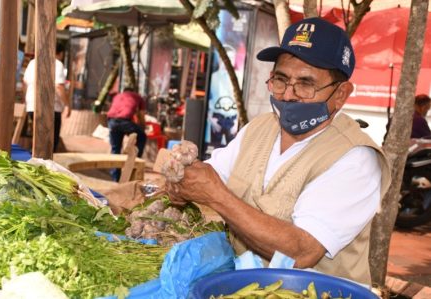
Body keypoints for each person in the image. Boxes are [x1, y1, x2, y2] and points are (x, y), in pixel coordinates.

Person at [167, 17, 391, 285]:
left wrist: (216, 196)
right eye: (281, 80)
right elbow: (210, 176)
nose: (288, 95)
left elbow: (302, 251)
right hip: (245, 284)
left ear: (341, 94)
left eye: (306, 84)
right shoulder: (259, 128)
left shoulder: (356, 158)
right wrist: (182, 179)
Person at [23, 43, 71, 151]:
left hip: (32, 105)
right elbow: (58, 86)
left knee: (37, 140)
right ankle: (45, 166)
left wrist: (26, 101)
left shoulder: (32, 63)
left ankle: (34, 164)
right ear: (61, 53)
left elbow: (25, 84)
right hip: (51, 108)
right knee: (50, 144)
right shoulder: (57, 64)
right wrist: (67, 105)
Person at [107, 87, 147, 182]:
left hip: (111, 121)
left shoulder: (118, 96)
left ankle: (115, 179)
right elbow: (141, 115)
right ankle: (135, 161)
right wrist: (143, 127)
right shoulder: (137, 97)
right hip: (124, 121)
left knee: (115, 149)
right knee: (142, 136)